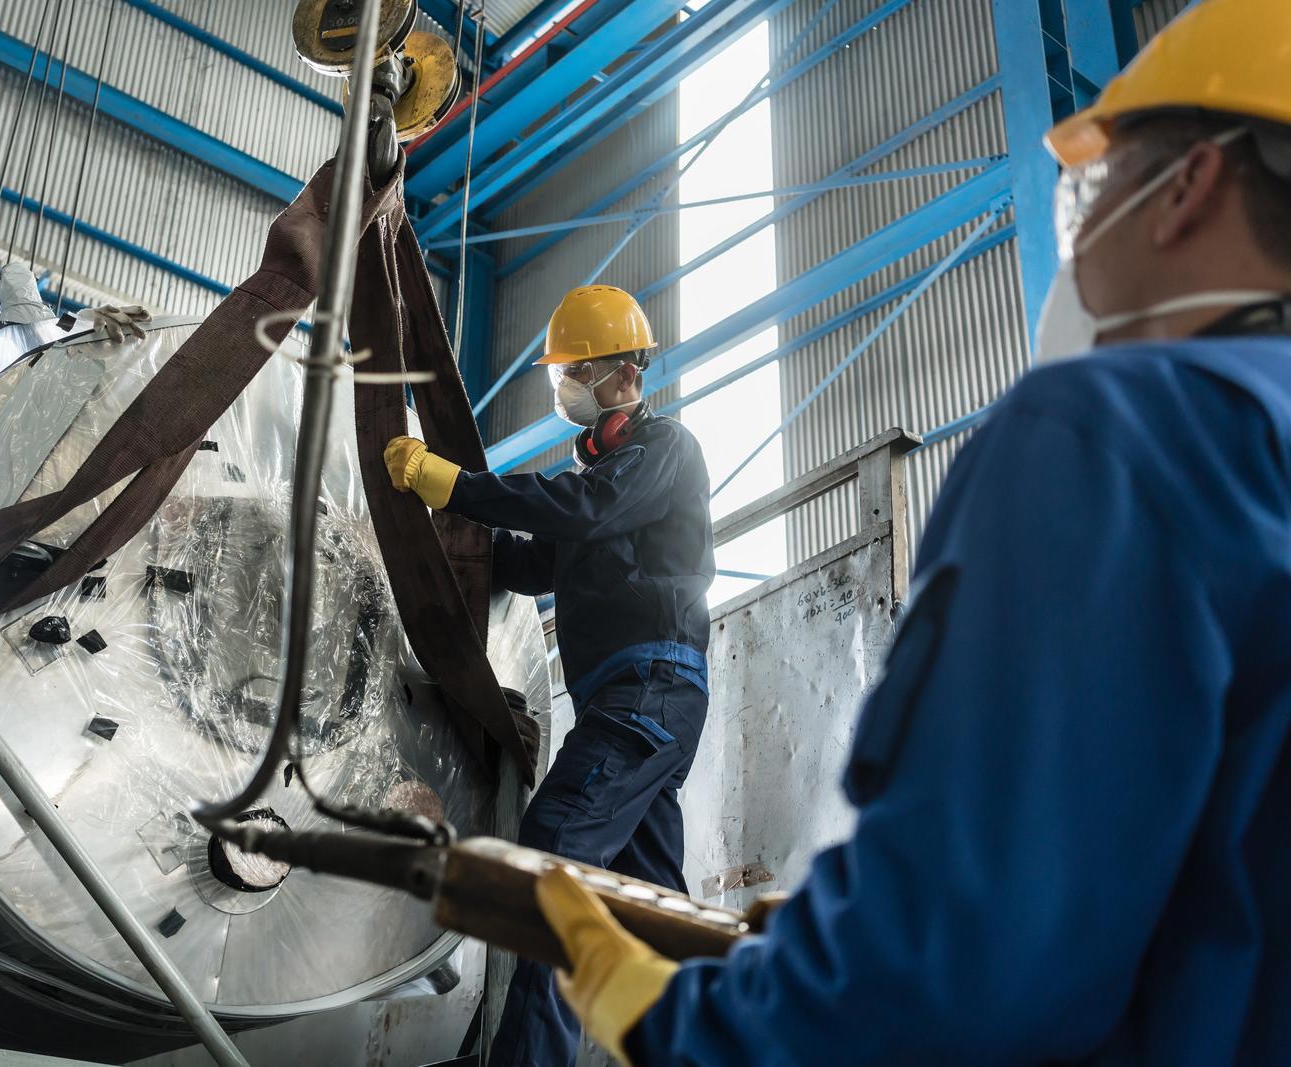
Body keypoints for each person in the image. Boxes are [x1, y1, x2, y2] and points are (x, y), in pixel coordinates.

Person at [522, 1, 1291, 1063]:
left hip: (649, 689)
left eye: (1091, 192)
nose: (1078, 235)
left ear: (1190, 186)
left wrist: (684, 1029)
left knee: (556, 858)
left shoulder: (1121, 433)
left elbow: (948, 966)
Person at [385, 284, 716, 1065]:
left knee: (553, 854)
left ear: (625, 375)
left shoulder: (663, 450)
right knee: (653, 909)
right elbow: (533, 561)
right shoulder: (602, 479)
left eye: (578, 370)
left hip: (650, 690)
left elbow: (583, 509)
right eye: (559, 372)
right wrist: (445, 540)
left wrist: (455, 484)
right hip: (628, 702)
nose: (566, 386)